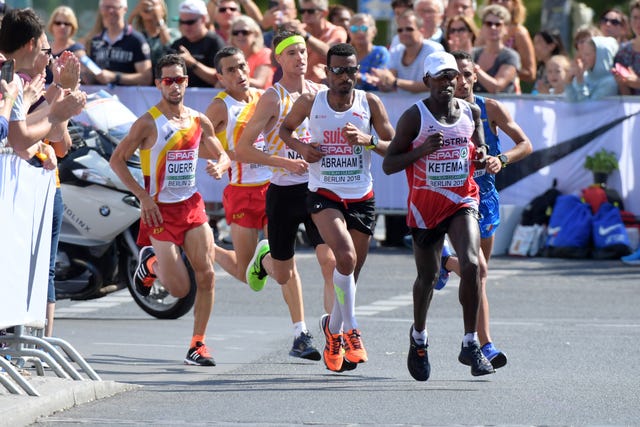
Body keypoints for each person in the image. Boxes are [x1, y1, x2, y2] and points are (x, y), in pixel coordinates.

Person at [109, 53, 231, 366]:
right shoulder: (148, 122)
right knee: (179, 288)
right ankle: (149, 265)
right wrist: (143, 197)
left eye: (179, 79)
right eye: (168, 80)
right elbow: (117, 160)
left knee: (207, 276)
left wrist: (219, 165)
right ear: (158, 84)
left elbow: (222, 154)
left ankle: (197, 344)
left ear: (187, 82)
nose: (174, 86)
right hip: (159, 211)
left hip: (191, 206)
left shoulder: (197, 120)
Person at [279, 43, 394, 372]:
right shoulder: (310, 102)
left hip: (361, 196)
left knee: (350, 276)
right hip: (324, 193)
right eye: (339, 70)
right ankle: (352, 329)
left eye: (351, 70)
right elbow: (285, 130)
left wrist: (367, 140)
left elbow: (394, 146)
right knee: (344, 257)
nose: (346, 76)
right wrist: (303, 148)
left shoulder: (369, 102)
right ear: (327, 72)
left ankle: (332, 329)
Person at [382, 50, 494, 381]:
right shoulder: (414, 117)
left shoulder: (471, 112)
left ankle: (470, 343)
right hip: (425, 206)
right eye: (440, 77)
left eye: (452, 76)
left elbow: (479, 147)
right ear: (427, 81)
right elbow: (389, 164)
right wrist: (421, 151)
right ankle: (419, 337)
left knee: (472, 264)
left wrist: (482, 156)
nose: (447, 82)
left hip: (461, 199)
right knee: (427, 278)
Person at [235, 30, 335, 360]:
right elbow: (243, 149)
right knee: (282, 272)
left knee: (330, 260)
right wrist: (283, 162)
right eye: (291, 52)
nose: (300, 57)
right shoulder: (272, 98)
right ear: (278, 59)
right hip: (283, 191)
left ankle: (328, 333)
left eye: (303, 51)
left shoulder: (321, 93)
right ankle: (265, 258)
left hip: (317, 190)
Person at [434, 50, 533, 368]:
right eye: (454, 75)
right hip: (453, 198)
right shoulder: (439, 113)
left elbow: (524, 143)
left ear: (475, 75)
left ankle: (445, 263)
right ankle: (485, 345)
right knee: (480, 271)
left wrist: (500, 159)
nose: (460, 81)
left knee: (478, 276)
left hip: (486, 198)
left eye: (466, 74)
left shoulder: (490, 108)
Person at [204, 46, 271, 287]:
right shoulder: (220, 107)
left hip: (272, 187)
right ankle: (207, 247)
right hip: (242, 191)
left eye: (242, 66)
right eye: (231, 70)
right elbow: (195, 144)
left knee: (281, 258)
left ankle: (299, 324)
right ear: (220, 78)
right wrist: (227, 156)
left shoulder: (264, 97)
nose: (239, 73)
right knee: (247, 275)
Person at [369, 10, 444, 93]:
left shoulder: (434, 50)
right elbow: (389, 83)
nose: (404, 33)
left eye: (409, 29)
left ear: (421, 30)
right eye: (400, 30)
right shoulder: (396, 51)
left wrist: (395, 82)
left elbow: (431, 84)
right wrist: (381, 81)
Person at [85, 0, 153, 86]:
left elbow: (146, 78)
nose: (110, 11)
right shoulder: (95, 41)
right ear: (101, 10)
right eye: (106, 7)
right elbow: (90, 79)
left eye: (115, 7)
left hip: (128, 98)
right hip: (100, 97)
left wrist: (115, 77)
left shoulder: (136, 40)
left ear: (125, 9)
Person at [171, 0, 225, 87]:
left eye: (190, 22)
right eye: (182, 22)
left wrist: (192, 63)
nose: (185, 26)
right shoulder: (177, 44)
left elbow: (222, 78)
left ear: (203, 19)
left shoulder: (215, 42)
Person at [483, 0, 536, 85]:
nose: (499, 2)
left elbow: (530, 73)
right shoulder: (484, 31)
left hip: (508, 92)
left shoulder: (519, 33)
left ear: (514, 4)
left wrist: (508, 69)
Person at [472, 4, 521, 94]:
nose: (493, 27)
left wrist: (474, 68)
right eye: (488, 24)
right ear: (482, 27)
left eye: (498, 24)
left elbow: (496, 87)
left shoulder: (510, 56)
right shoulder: (473, 53)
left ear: (506, 28)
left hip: (502, 106)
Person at [298, 0, 348, 83]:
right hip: (302, 87)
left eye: (311, 11)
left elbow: (331, 52)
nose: (305, 14)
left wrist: (306, 36)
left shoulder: (337, 31)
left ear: (324, 13)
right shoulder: (299, 30)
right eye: (302, 11)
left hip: (327, 89)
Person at [128, 0, 180, 80]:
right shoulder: (138, 36)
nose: (149, 7)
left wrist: (158, 18)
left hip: (166, 81)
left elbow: (170, 47)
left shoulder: (173, 33)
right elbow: (125, 38)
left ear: (163, 11)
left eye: (153, 4)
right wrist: (133, 14)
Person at [565, 35, 619, 102]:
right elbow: (571, 106)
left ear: (601, 57)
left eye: (587, 54)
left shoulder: (610, 83)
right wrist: (568, 83)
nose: (583, 58)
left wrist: (580, 83)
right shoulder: (584, 76)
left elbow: (588, 109)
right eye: (583, 54)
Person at [229, 15, 274, 89]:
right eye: (235, 33)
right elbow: (218, 84)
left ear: (255, 34)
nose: (240, 35)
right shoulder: (230, 57)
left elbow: (259, 84)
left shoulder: (265, 54)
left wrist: (230, 79)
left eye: (245, 32)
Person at [348, 13, 390, 92]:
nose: (360, 32)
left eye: (364, 28)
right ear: (349, 32)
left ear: (374, 31)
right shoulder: (345, 55)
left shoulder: (380, 53)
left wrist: (353, 76)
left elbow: (379, 81)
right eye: (354, 29)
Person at [612, 0, 640, 95]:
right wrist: (622, 83)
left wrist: (638, 83)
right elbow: (626, 96)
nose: (638, 22)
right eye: (635, 18)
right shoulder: (623, 52)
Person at [532, 30, 566, 94]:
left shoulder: (562, 68)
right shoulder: (540, 70)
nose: (534, 47)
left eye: (539, 42)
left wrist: (547, 94)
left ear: (551, 46)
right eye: (534, 43)